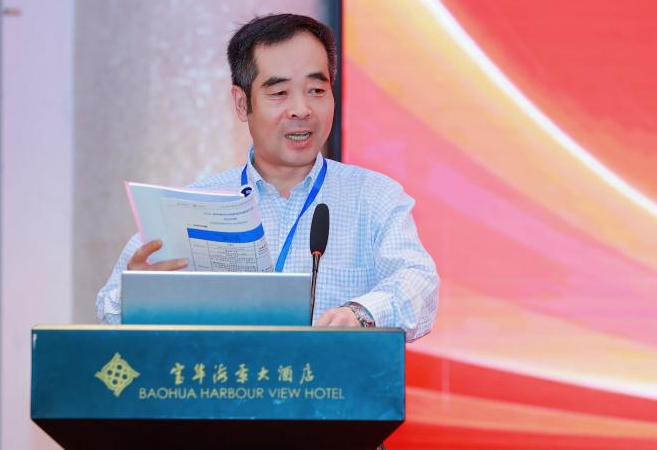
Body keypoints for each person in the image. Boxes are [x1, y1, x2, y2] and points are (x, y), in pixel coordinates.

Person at [96, 13, 439, 341]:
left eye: (317, 90)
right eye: (279, 93)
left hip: (329, 381)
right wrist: (137, 295)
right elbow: (108, 308)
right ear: (242, 103)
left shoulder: (374, 197)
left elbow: (419, 282)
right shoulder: (190, 207)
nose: (302, 110)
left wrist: (361, 313)